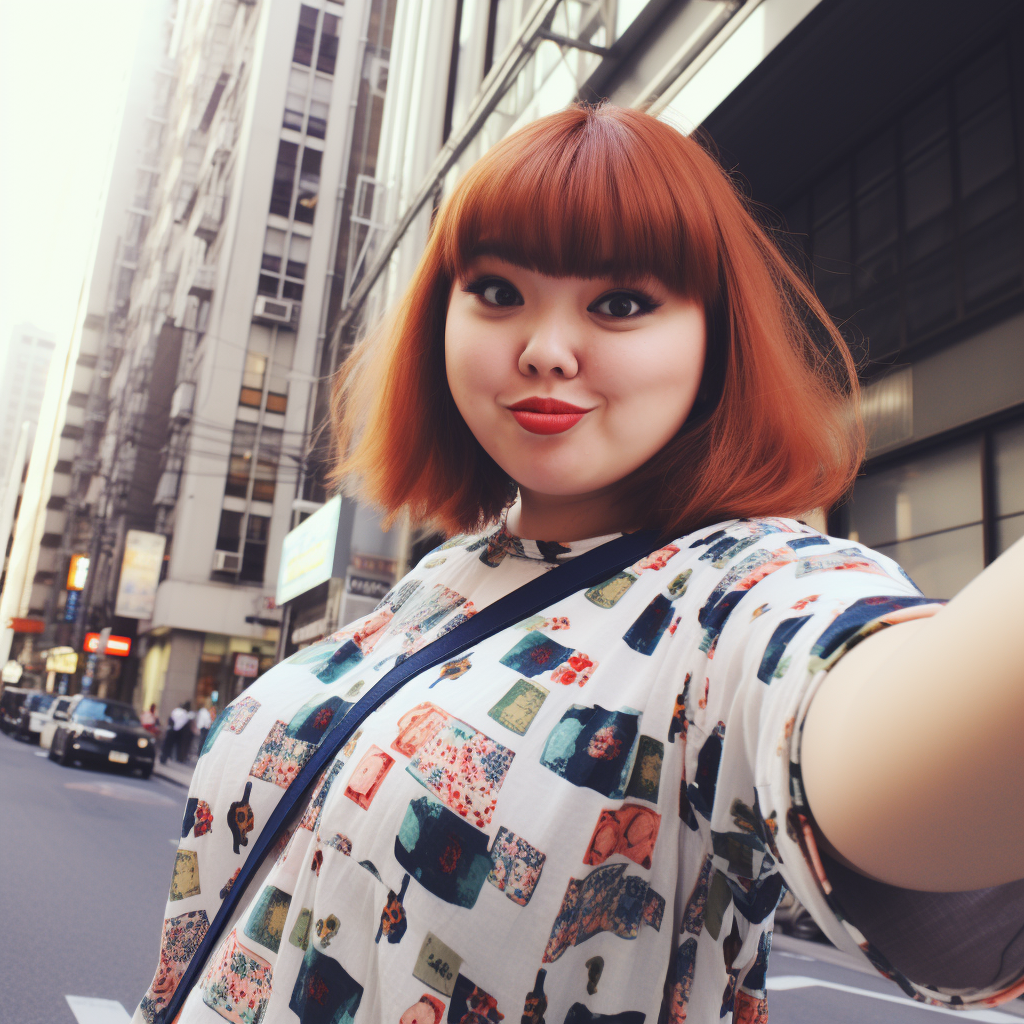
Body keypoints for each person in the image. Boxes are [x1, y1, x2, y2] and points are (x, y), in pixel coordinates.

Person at [137, 106, 1024, 1024]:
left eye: (622, 303)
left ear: (715, 337)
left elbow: (880, 722)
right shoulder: (438, 581)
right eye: (496, 290)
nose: (545, 349)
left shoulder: (737, 599)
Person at [159, 699, 193, 765]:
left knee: (167, 745)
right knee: (176, 746)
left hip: (171, 730)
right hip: (177, 732)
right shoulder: (185, 714)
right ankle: (174, 758)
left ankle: (164, 758)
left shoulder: (176, 711)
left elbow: (170, 719)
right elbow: (181, 724)